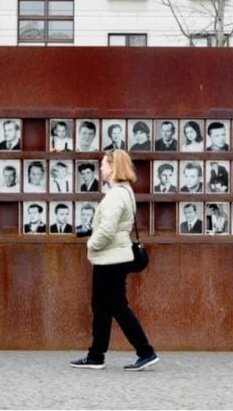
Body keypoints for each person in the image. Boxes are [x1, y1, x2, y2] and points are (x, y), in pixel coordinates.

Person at [70, 150, 158, 371]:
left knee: (117, 306)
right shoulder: (124, 192)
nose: (101, 168)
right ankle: (96, 355)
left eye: (103, 164)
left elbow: (108, 229)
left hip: (111, 259)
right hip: (114, 257)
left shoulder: (116, 195)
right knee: (101, 307)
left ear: (113, 167)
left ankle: (145, 351)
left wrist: (91, 244)